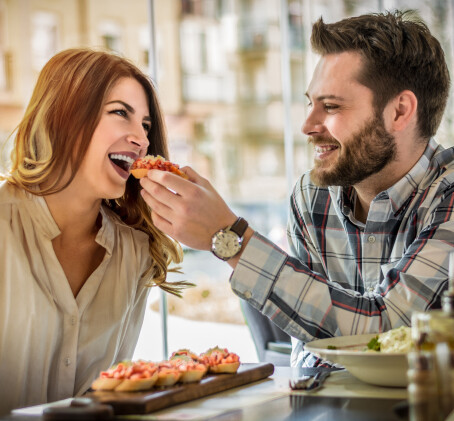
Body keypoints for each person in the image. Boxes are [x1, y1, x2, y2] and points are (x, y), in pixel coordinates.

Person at [140, 10, 453, 368]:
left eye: (331, 106)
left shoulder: (448, 197)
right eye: (310, 103)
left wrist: (229, 238)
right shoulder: (312, 197)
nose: (307, 125)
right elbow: (309, 357)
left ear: (399, 112)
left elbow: (386, 334)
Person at [0, 48, 191, 414]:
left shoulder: (134, 253)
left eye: (146, 126)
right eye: (121, 113)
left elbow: (107, 400)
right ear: (65, 116)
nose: (142, 140)